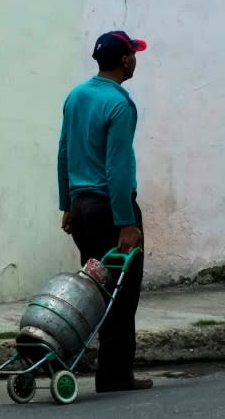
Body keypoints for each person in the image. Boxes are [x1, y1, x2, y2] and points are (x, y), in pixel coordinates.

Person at [57, 30, 153, 393]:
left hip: (83, 207)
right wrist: (126, 222)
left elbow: (64, 151)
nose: (136, 60)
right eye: (134, 54)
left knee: (98, 290)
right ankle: (115, 375)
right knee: (122, 293)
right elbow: (117, 169)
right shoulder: (120, 104)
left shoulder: (76, 97)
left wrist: (68, 204)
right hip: (111, 209)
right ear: (126, 59)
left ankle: (104, 368)